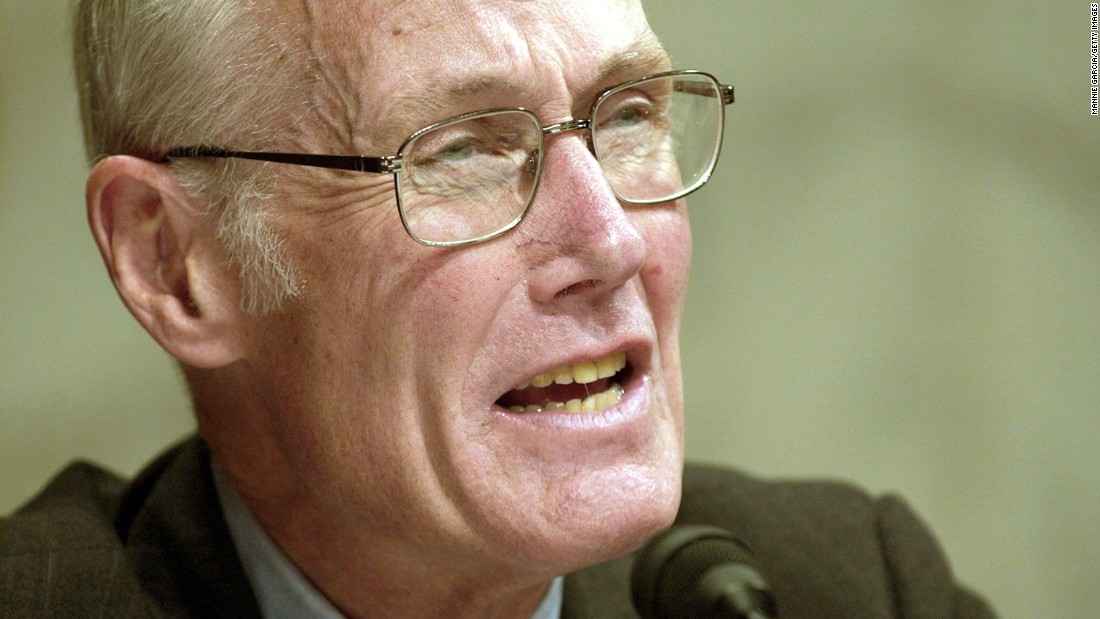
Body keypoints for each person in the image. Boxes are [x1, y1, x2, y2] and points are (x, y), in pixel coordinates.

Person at [1, 1, 996, 617]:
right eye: (461, 148)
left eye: (631, 113)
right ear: (172, 263)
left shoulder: (845, 589)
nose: (609, 241)